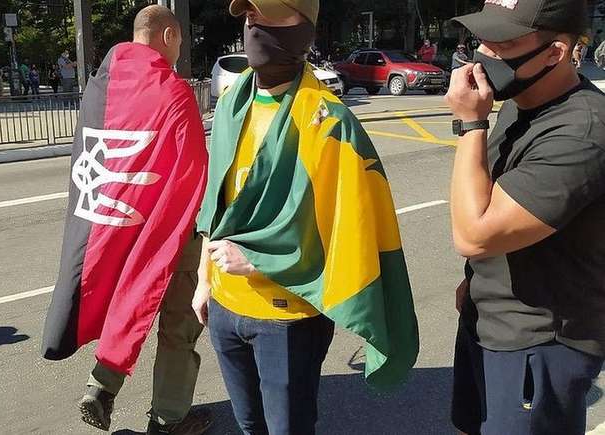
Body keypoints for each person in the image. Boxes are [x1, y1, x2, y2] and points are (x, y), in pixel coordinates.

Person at [193, 1, 419, 434]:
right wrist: (204, 281)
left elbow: (348, 232)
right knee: (247, 424)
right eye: (250, 15)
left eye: (269, 14)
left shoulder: (330, 123)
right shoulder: (231, 103)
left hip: (286, 319)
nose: (254, 23)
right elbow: (216, 204)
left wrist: (261, 259)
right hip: (224, 306)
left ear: (304, 30)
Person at [41, 5, 211, 435]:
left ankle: (101, 387)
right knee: (179, 321)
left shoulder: (100, 84)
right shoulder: (173, 91)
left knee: (129, 299)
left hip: (116, 219)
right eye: (180, 42)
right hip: (165, 225)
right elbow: (193, 170)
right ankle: (170, 418)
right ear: (169, 36)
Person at [447, 0, 605, 433]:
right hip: (490, 317)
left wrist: (470, 126)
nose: (484, 53)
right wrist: (477, 280)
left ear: (555, 52)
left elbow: (475, 234)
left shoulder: (582, 131)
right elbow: (501, 204)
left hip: (539, 339)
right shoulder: (520, 100)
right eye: (483, 37)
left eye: (503, 42)